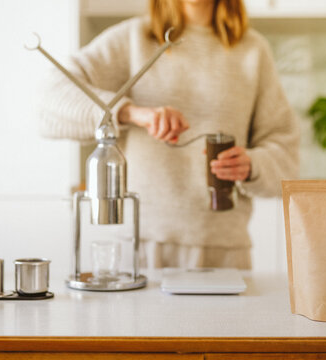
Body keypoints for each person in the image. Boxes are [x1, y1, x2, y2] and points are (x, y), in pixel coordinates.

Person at [39, 0, 299, 269]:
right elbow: (50, 99)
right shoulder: (132, 39)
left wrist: (251, 165)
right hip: (140, 247)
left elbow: (286, 157)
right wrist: (131, 112)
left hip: (223, 251)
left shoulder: (253, 50)